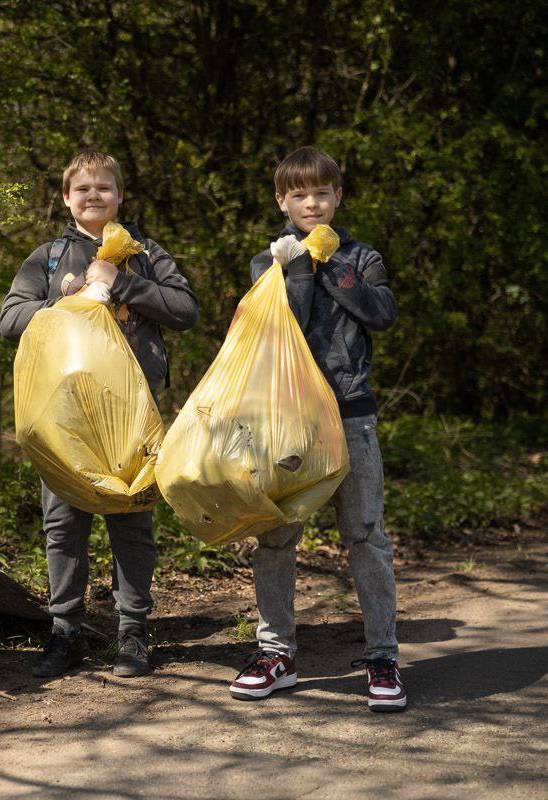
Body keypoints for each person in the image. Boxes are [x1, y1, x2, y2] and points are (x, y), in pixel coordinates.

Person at [0, 150, 198, 678]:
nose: (93, 196)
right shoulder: (48, 256)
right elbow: (9, 317)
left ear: (119, 195)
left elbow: (185, 310)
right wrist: (74, 300)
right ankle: (66, 633)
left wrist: (123, 281)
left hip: (132, 414)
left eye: (104, 188)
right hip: (66, 415)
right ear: (66, 197)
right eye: (82, 189)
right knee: (63, 525)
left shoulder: (147, 253)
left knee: (131, 522)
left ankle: (132, 632)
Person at [230, 145, 405, 711]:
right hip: (288, 420)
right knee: (276, 537)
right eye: (300, 194)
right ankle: (276, 653)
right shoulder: (269, 261)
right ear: (282, 200)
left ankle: (383, 658)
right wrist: (301, 264)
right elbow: (290, 320)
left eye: (322, 193)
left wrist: (333, 262)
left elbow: (381, 313)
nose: (313, 202)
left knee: (366, 537)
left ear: (337, 197)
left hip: (351, 414)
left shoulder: (364, 256)